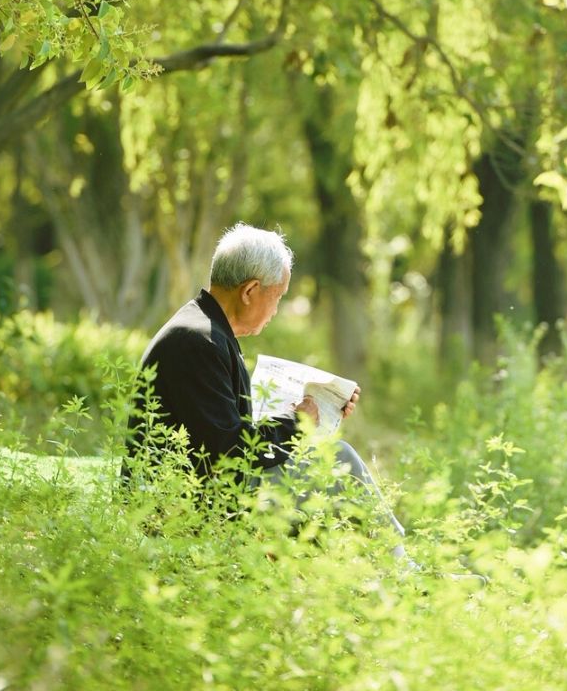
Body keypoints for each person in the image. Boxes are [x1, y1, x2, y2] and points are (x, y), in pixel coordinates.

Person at [124, 223, 408, 554]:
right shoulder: (198, 341)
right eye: (278, 297)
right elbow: (227, 451)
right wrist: (296, 424)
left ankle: (370, 586)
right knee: (340, 460)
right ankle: (405, 576)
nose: (276, 310)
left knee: (325, 478)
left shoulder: (204, 330)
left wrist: (324, 412)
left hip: (206, 490)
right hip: (185, 506)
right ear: (249, 291)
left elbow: (222, 433)